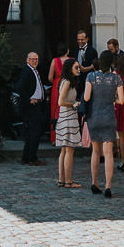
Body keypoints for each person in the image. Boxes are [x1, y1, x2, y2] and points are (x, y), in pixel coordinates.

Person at [84, 51, 124, 197]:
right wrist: (112, 98)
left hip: (94, 117)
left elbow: (86, 97)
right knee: (108, 153)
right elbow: (121, 100)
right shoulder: (116, 78)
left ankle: (94, 182)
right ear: (112, 63)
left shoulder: (91, 76)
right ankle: (108, 186)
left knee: (95, 151)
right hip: (108, 116)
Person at [13, 51, 47, 166]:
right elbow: (19, 87)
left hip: (37, 105)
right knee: (34, 133)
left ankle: (27, 157)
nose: (35, 61)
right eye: (32, 59)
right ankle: (31, 158)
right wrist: (28, 99)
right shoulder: (27, 71)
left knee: (32, 133)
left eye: (36, 59)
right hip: (31, 106)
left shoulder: (34, 71)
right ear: (27, 60)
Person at [54, 59, 82, 187]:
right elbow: (61, 102)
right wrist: (75, 104)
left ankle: (62, 180)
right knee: (69, 150)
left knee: (65, 150)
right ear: (69, 68)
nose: (78, 69)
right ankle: (68, 181)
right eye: (76, 67)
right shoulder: (67, 82)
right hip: (68, 117)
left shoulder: (66, 81)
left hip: (65, 117)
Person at [47, 41, 69, 143]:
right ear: (67, 51)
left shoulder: (54, 61)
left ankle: (55, 139)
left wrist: (56, 81)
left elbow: (50, 77)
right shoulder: (72, 60)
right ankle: (68, 138)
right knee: (69, 111)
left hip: (57, 86)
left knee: (56, 111)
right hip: (69, 87)